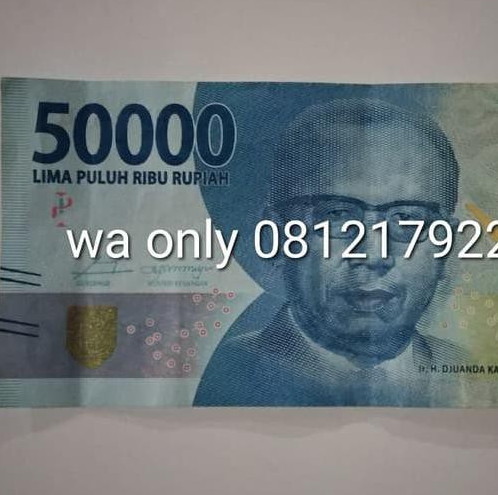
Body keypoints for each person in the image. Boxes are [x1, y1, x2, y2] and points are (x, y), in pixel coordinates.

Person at [194, 98, 465, 406]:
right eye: (338, 215)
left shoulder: (467, 372)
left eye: (406, 220)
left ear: (446, 244)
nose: (373, 255)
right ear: (275, 236)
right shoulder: (222, 376)